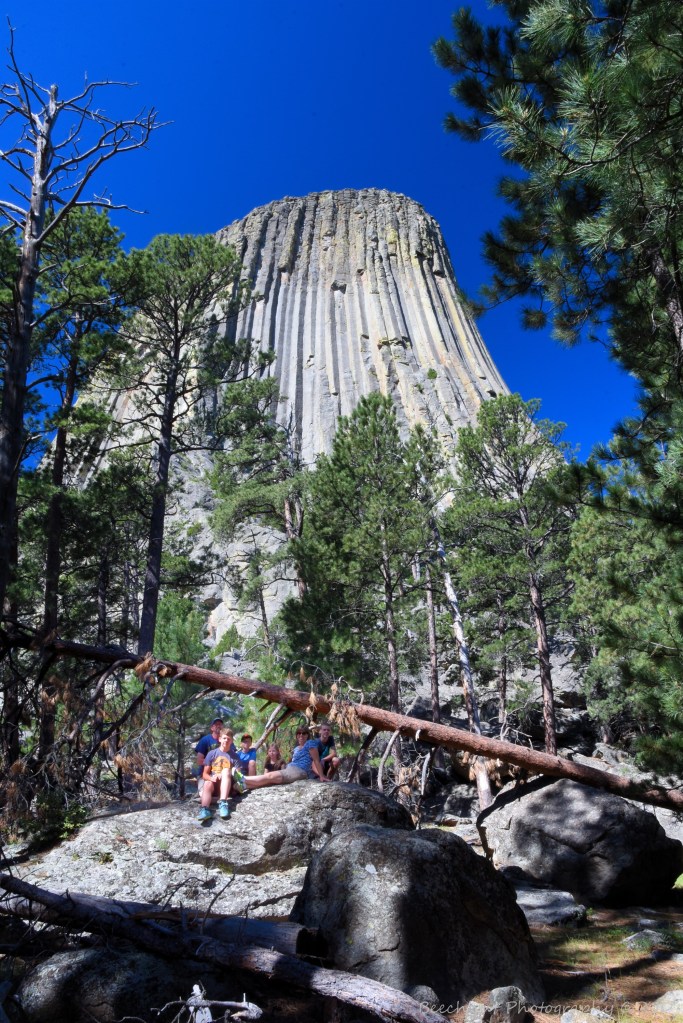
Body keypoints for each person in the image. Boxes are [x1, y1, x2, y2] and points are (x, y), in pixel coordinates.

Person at [239, 726, 329, 789]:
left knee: (270, 776)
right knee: (269, 780)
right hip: (290, 768)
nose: (301, 735)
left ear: (307, 735)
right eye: (299, 733)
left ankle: (243, 779)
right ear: (297, 735)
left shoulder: (310, 744)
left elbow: (316, 761)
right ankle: (244, 786)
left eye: (304, 733)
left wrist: (321, 776)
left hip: (300, 770)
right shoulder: (296, 748)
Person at [198, 729, 234, 821]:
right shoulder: (212, 754)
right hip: (214, 784)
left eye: (228, 739)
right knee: (207, 783)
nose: (226, 740)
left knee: (226, 771)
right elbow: (205, 774)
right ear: (220, 739)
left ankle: (223, 803)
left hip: (228, 785)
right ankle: (205, 809)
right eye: (224, 738)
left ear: (232, 741)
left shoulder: (235, 756)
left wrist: (224, 773)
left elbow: (238, 775)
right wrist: (212, 778)